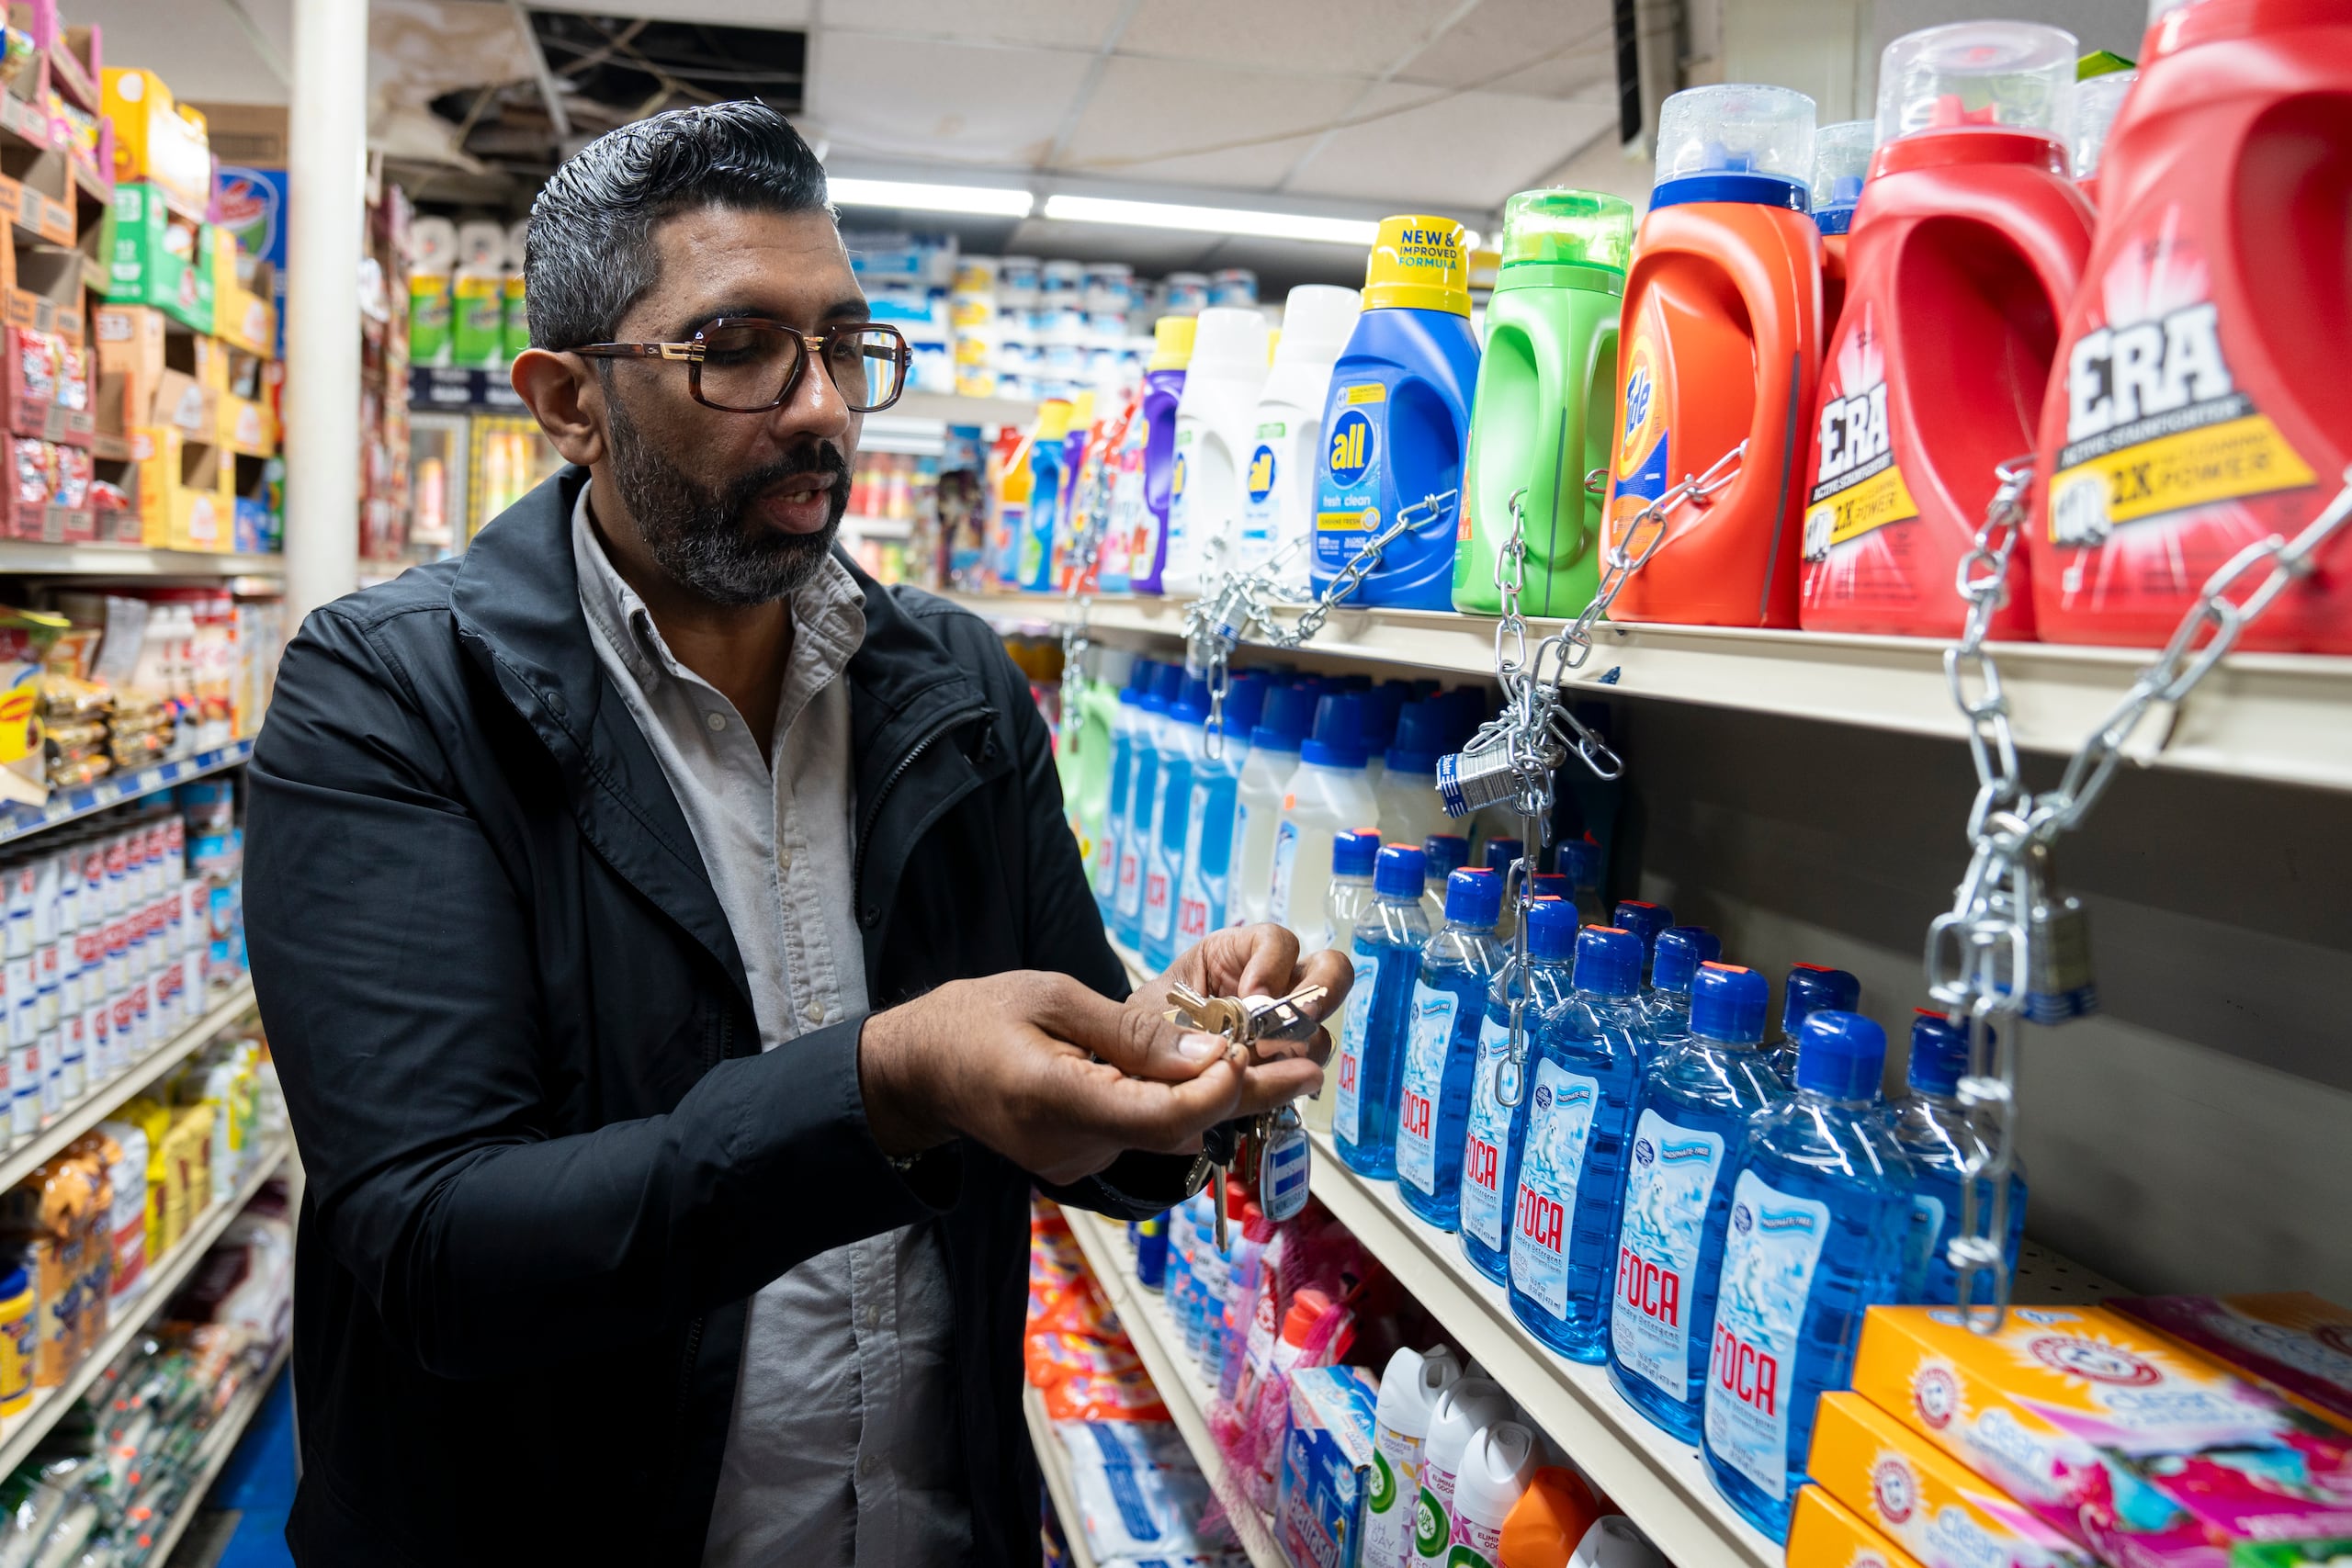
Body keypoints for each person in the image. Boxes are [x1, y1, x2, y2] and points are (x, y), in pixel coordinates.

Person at [243, 100, 1346, 1567]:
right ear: (569, 400)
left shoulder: (952, 689)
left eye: (843, 345)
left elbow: (1083, 1135)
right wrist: (888, 1080)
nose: (820, 404)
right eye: (740, 348)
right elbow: (436, 1253)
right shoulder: (395, 698)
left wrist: (1186, 1057)